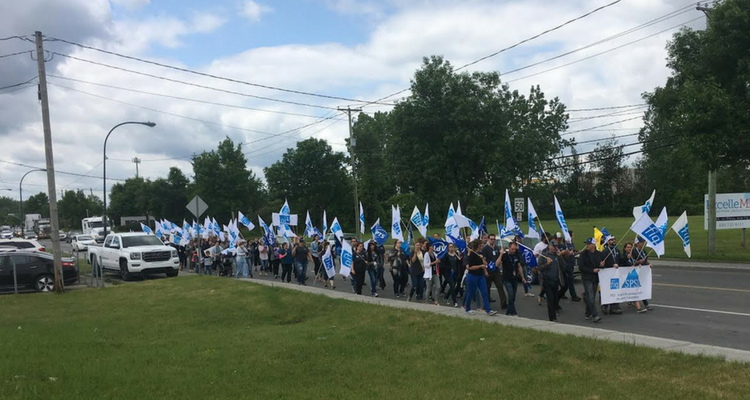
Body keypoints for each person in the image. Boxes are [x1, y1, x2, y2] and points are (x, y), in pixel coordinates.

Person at [463, 239, 497, 316]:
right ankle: (467, 308)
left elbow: (486, 264)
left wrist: (482, 260)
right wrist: (480, 266)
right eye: (481, 244)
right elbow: (470, 267)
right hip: (472, 276)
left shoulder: (480, 254)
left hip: (480, 276)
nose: (482, 246)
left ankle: (488, 310)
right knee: (471, 293)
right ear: (478, 245)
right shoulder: (471, 255)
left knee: (484, 292)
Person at [537, 242, 563, 322]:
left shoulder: (556, 256)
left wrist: (560, 257)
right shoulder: (544, 256)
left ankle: (554, 312)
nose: (555, 248)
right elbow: (540, 268)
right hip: (547, 280)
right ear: (549, 246)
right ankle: (552, 317)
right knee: (550, 300)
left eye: (556, 246)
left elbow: (564, 266)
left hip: (555, 281)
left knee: (555, 299)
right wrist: (547, 264)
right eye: (554, 246)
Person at [578, 238, 602, 323]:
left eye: (588, 244)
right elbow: (581, 267)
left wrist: (601, 265)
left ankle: (588, 313)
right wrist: (592, 270)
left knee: (591, 296)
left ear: (593, 245)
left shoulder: (599, 254)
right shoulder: (583, 254)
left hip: (595, 278)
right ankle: (595, 315)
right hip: (587, 278)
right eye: (587, 244)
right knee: (591, 297)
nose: (587, 245)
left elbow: (600, 265)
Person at [619, 242, 648, 314]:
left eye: (630, 247)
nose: (629, 249)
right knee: (631, 290)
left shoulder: (632, 256)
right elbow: (621, 263)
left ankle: (638, 305)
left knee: (635, 290)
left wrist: (638, 264)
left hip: (631, 276)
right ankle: (638, 307)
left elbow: (633, 263)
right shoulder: (623, 256)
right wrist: (626, 258)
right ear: (625, 248)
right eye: (628, 247)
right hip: (626, 277)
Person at [482, 234, 508, 309]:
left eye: (494, 239)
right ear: (488, 239)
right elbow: (483, 260)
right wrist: (486, 270)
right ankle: (486, 304)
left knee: (500, 286)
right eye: (491, 239)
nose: (493, 240)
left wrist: (501, 254)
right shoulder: (485, 249)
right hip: (488, 270)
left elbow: (498, 260)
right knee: (487, 287)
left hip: (496, 270)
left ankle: (504, 303)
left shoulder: (496, 248)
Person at [500, 242, 526, 316]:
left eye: (515, 249)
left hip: (514, 279)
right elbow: (497, 264)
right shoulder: (505, 256)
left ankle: (508, 311)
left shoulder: (516, 255)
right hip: (506, 278)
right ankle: (514, 312)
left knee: (513, 297)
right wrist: (501, 254)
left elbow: (519, 266)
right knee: (510, 294)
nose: (514, 251)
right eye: (512, 249)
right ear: (509, 248)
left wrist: (523, 277)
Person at [601, 236, 623, 315]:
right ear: (607, 242)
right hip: (608, 274)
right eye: (611, 240)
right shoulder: (605, 251)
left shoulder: (617, 250)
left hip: (616, 274)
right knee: (607, 290)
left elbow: (621, 260)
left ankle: (614, 307)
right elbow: (602, 263)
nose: (613, 241)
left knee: (615, 290)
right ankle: (605, 305)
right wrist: (611, 264)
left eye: (614, 239)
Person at [557, 231, 582, 302]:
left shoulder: (571, 244)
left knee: (568, 281)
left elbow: (573, 251)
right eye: (572, 235)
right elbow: (563, 254)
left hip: (571, 264)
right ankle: (573, 295)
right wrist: (568, 253)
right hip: (566, 264)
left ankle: (562, 293)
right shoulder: (564, 245)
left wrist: (577, 252)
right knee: (570, 280)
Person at [632, 237, 654, 310]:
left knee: (642, 287)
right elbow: (632, 262)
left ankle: (634, 300)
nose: (643, 243)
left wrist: (649, 264)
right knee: (638, 287)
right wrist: (638, 262)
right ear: (637, 243)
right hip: (636, 271)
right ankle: (645, 303)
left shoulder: (643, 251)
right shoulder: (633, 251)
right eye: (641, 242)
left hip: (643, 271)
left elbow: (645, 260)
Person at [440, 243, 461, 307]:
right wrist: (449, 268)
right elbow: (442, 265)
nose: (451, 248)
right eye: (450, 247)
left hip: (455, 273)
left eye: (452, 247)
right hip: (448, 274)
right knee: (452, 286)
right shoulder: (446, 255)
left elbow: (458, 264)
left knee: (453, 286)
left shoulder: (456, 254)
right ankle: (455, 302)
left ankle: (446, 297)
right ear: (448, 248)